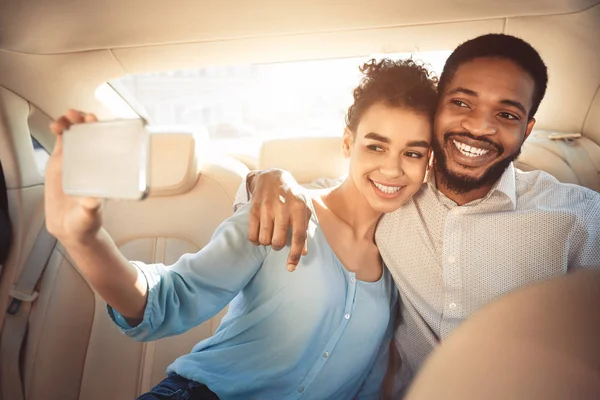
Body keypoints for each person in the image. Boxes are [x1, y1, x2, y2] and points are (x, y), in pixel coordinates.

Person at [45, 58, 439, 399]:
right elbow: (166, 300)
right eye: (376, 145)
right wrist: (84, 238)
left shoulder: (402, 258)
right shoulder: (281, 211)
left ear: (428, 161)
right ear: (347, 143)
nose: (392, 168)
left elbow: (367, 385)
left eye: (412, 153)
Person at [239, 33, 600, 395]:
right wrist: (268, 179)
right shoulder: (390, 193)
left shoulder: (579, 219)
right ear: (436, 110)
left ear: (527, 129)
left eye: (506, 114)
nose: (478, 128)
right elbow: (315, 200)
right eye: (461, 103)